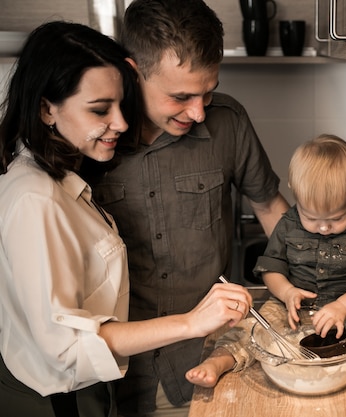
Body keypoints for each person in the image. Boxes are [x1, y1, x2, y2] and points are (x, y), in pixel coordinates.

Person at [0, 21, 253, 417]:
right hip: (54, 403)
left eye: (121, 105)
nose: (120, 123)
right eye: (100, 110)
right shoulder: (36, 200)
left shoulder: (60, 178)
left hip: (86, 394)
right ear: (47, 108)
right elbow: (68, 348)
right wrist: (191, 323)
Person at [88, 0, 290, 415]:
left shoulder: (228, 121)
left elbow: (270, 206)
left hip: (206, 361)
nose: (198, 112)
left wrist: (311, 282)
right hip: (112, 372)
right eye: (180, 96)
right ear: (132, 71)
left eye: (208, 92)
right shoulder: (91, 140)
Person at [187, 134, 346, 403]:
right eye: (311, 218)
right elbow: (272, 268)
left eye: (337, 218)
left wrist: (344, 307)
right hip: (292, 310)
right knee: (254, 326)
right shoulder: (288, 224)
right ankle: (218, 362)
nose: (324, 227)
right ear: (295, 196)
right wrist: (288, 292)